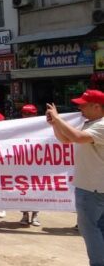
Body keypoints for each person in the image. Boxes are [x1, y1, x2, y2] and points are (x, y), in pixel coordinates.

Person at [46, 90, 104, 265]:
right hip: (92, 187)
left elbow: (76, 137)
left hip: (92, 188)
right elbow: (66, 139)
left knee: (90, 230)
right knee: (98, 229)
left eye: (84, 104)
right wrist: (54, 124)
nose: (79, 107)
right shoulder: (92, 123)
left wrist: (57, 119)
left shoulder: (101, 125)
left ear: (97, 106)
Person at [18, 104, 41, 227]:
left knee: (37, 189)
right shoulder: (17, 126)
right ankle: (25, 214)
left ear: (35, 114)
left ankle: (35, 215)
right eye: (25, 113)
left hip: (37, 163)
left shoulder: (42, 126)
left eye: (30, 114)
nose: (27, 116)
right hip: (22, 163)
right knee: (23, 190)